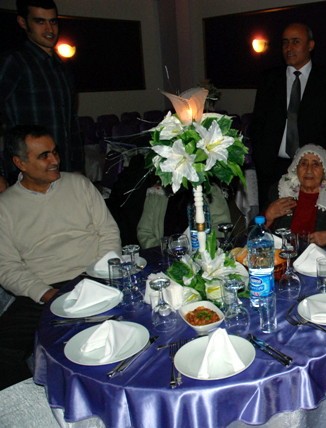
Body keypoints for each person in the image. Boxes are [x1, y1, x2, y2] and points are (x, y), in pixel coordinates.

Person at [0, 125, 120, 389]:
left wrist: (102, 274)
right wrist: (44, 293)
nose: (55, 160)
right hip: (44, 289)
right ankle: (30, 403)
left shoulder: (79, 184)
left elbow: (108, 232)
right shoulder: (5, 207)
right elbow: (6, 267)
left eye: (55, 152)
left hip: (94, 276)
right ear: (20, 163)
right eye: (44, 156)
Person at [250, 22, 326, 209]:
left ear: (310, 45)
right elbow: (258, 121)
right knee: (272, 214)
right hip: (272, 165)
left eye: (296, 42)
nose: (289, 48)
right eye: (285, 42)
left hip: (312, 167)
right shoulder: (269, 79)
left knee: (307, 216)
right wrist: (260, 155)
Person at [0, 0, 83, 179]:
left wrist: (78, 168)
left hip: (63, 169)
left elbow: (71, 123)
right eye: (40, 21)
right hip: (28, 173)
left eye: (53, 21)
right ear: (23, 23)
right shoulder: (14, 62)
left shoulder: (62, 67)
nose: (49, 29)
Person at [264, 144, 326, 259]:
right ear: (296, 167)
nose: (309, 170)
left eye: (315, 164)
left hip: (324, 261)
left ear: (325, 170)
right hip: (284, 259)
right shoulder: (282, 190)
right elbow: (252, 233)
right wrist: (268, 216)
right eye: (303, 163)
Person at [137, 182, 231, 250]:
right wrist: (165, 248)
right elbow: (144, 232)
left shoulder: (208, 190)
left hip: (202, 257)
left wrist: (204, 246)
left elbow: (221, 226)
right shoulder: (157, 193)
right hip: (164, 260)